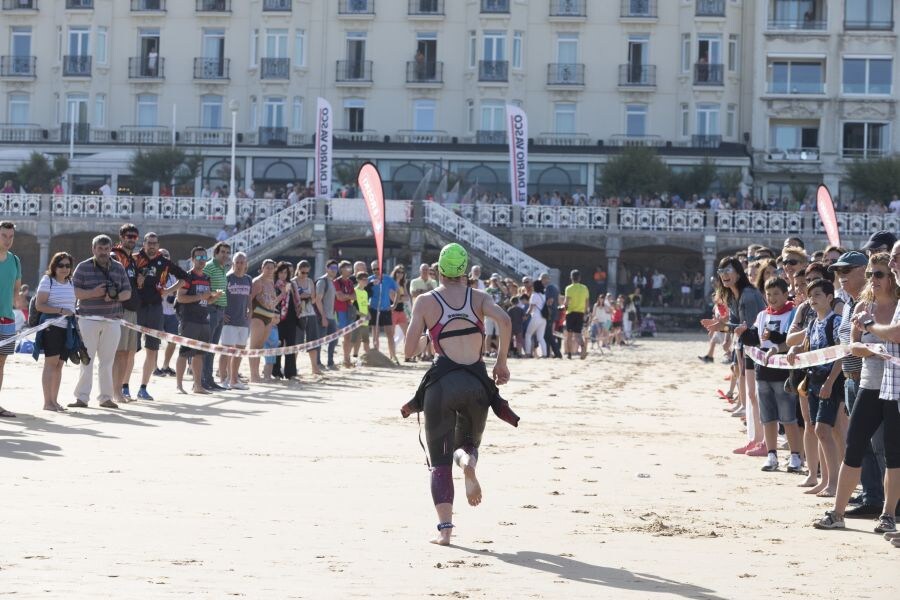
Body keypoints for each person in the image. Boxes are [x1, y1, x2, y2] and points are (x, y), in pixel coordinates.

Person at [400, 242, 514, 546]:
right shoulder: (479, 297)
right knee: (465, 446)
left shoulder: (425, 301)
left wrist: (427, 338)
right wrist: (501, 362)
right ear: (465, 271)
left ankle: (446, 530)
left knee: (439, 462)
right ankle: (467, 464)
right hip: (477, 383)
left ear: (438, 270)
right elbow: (504, 320)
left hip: (441, 385)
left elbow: (408, 351)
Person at [814, 248, 900, 534]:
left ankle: (887, 514)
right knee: (854, 446)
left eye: (878, 275)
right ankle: (837, 512)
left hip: (896, 385)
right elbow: (851, 344)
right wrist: (866, 347)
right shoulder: (863, 305)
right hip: (869, 381)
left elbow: (896, 334)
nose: (872, 280)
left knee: (892, 452)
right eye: (869, 275)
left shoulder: (897, 304)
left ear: (891, 277)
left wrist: (873, 329)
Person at [735, 277, 803, 472]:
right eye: (769, 294)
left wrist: (773, 337)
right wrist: (743, 333)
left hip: (783, 374)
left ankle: (795, 456)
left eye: (776, 294)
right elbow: (755, 338)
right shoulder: (763, 315)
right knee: (768, 417)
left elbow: (788, 341)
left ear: (785, 294)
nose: (772, 298)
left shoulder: (792, 314)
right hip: (762, 372)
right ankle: (772, 455)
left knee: (788, 417)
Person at [787, 279, 843, 497]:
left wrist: (830, 382)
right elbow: (807, 346)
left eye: (817, 295)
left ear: (829, 297)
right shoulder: (812, 323)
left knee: (823, 430)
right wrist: (794, 350)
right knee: (819, 431)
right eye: (810, 295)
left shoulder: (836, 321)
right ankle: (825, 480)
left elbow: (841, 353)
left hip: (830, 379)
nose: (812, 299)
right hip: (814, 378)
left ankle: (834, 483)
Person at [70, 234, 132, 409]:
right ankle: (82, 398)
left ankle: (106, 398)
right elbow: (74, 292)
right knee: (86, 360)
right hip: (88, 319)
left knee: (107, 361)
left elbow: (128, 292)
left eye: (106, 249)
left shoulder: (119, 268)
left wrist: (114, 297)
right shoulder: (83, 267)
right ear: (93, 249)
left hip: (112, 320)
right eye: (100, 249)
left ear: (110, 249)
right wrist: (94, 293)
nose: (103, 252)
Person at [132, 232, 189, 401]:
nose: (152, 246)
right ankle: (124, 386)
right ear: (143, 244)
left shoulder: (163, 262)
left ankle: (143, 388)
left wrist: (168, 291)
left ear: (158, 245)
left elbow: (184, 278)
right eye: (149, 243)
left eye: (155, 243)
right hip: (137, 308)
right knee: (129, 350)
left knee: (152, 349)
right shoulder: (135, 259)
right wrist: (137, 282)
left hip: (155, 308)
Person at [175, 247, 223, 395]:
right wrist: (200, 297)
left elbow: (205, 301)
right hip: (189, 320)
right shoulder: (188, 277)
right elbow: (180, 298)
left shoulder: (206, 278)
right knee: (184, 353)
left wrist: (213, 298)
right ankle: (179, 385)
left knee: (200, 355)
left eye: (204, 258)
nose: (202, 261)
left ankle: (197, 385)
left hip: (203, 320)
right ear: (193, 259)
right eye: (199, 258)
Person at [33, 252, 77, 412]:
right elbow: (40, 305)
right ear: (54, 266)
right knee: (51, 364)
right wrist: (61, 310)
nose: (64, 269)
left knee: (59, 365)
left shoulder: (71, 282)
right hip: (51, 326)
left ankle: (55, 401)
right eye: (61, 265)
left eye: (67, 265)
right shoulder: (48, 281)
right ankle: (47, 402)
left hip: (68, 329)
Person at [111, 224, 142, 403]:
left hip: (132, 310)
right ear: (121, 237)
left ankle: (120, 390)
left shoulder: (131, 260)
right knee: (118, 352)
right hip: (120, 310)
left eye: (134, 237)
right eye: (128, 236)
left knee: (127, 353)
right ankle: (114, 392)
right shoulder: (116, 256)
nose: (131, 239)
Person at [220, 252, 252, 390]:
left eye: (242, 262)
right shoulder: (227, 278)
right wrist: (222, 314)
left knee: (239, 351)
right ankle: (222, 379)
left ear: (246, 264)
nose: (239, 265)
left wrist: (250, 310)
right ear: (233, 263)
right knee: (226, 351)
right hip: (229, 320)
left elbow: (249, 298)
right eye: (237, 262)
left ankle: (234, 379)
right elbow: (219, 297)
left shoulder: (248, 279)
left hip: (243, 321)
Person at [248, 259, 282, 383]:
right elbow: (249, 299)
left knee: (260, 347)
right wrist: (248, 313)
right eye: (267, 267)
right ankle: (253, 375)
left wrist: (283, 294)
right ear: (262, 268)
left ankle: (256, 374)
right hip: (257, 315)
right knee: (254, 346)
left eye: (271, 268)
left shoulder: (271, 282)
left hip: (268, 316)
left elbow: (272, 302)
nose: (269, 270)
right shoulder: (257, 281)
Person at [202, 241, 230, 391]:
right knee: (206, 347)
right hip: (211, 309)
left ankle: (209, 379)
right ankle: (202, 380)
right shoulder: (209, 267)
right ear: (216, 253)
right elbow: (203, 286)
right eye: (222, 252)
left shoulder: (222, 268)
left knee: (212, 348)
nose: (225, 255)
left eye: (227, 252)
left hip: (220, 310)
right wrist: (212, 298)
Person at [0, 221, 21, 418]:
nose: (8, 240)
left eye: (11, 236)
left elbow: (16, 288)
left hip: (7, 318)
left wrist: (16, 303)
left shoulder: (15, 260)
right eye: (4, 236)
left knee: (1, 363)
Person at [293, 260, 322, 376]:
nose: (304, 275)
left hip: (310, 313)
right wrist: (300, 297)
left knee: (313, 342)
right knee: (296, 343)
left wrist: (309, 296)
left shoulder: (310, 281)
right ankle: (292, 367)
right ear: (298, 270)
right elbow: (290, 299)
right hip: (298, 314)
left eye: (306, 272)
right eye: (302, 272)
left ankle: (314, 368)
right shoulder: (293, 282)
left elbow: (314, 299)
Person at [368, 261, 399, 361]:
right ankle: (376, 355)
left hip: (385, 309)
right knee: (375, 333)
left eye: (378, 268)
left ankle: (393, 355)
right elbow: (364, 291)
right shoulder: (370, 280)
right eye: (374, 269)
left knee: (389, 334)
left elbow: (398, 291)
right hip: (373, 309)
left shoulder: (388, 279)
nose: (376, 271)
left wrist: (394, 304)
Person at [316, 260, 340, 370]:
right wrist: (323, 317)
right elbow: (318, 300)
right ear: (327, 268)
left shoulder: (332, 282)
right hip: (323, 317)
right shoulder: (322, 281)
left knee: (334, 340)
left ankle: (330, 362)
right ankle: (317, 362)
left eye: (336, 268)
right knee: (320, 341)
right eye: (332, 268)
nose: (334, 270)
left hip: (331, 316)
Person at [334, 261, 357, 368]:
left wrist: (345, 296)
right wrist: (348, 296)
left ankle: (346, 358)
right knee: (336, 335)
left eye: (350, 268)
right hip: (339, 310)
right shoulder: (336, 282)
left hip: (348, 310)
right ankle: (330, 359)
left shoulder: (350, 282)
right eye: (348, 268)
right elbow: (339, 297)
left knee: (348, 336)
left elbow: (354, 297)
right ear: (341, 269)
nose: (350, 270)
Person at [563, 269, 590, 360]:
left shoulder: (568, 288)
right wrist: (585, 313)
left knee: (569, 335)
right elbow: (586, 302)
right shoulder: (584, 288)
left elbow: (566, 303)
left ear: (571, 278)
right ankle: (583, 347)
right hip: (580, 313)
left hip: (570, 313)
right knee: (578, 334)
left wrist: (564, 309)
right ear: (579, 278)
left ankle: (569, 354)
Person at [541, 272, 562, 358]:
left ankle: (556, 353)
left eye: (542, 279)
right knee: (548, 334)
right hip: (553, 313)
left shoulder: (549, 288)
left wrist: (547, 310)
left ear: (546, 279)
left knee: (548, 334)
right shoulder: (554, 288)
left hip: (550, 313)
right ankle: (551, 353)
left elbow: (550, 300)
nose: (541, 281)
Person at [524, 280, 547, 357]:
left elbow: (530, 308)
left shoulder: (534, 295)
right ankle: (544, 354)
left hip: (536, 316)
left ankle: (527, 353)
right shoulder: (543, 295)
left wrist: (526, 315)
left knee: (528, 334)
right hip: (543, 318)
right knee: (540, 337)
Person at [351, 271, 371, 360]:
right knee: (354, 339)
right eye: (364, 280)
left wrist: (368, 314)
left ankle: (369, 357)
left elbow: (366, 305)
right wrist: (361, 314)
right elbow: (351, 307)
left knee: (366, 340)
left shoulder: (365, 292)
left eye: (367, 279)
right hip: (356, 319)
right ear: (358, 280)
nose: (366, 281)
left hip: (365, 320)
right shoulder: (354, 291)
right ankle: (351, 356)